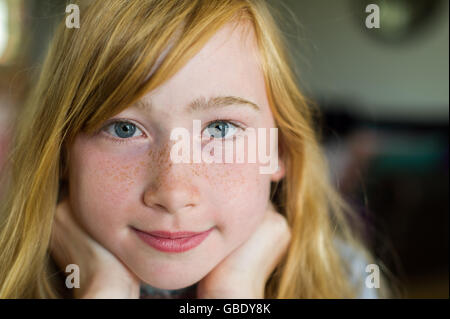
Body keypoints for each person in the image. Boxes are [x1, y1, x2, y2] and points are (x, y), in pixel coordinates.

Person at [0, 0, 390, 298]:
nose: (173, 192)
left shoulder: (344, 277)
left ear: (280, 150)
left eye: (221, 129)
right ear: (62, 152)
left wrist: (233, 294)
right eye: (123, 129)